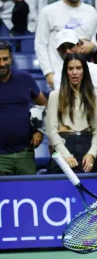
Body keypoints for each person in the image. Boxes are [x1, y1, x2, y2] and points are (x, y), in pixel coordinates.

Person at [53, 29, 97, 171]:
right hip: (67, 143)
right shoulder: (58, 76)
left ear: (79, 46)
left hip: (96, 141)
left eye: (70, 46)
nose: (67, 51)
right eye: (62, 48)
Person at [46, 53, 97, 173]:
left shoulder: (95, 96)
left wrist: (92, 154)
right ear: (66, 71)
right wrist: (65, 155)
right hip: (64, 146)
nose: (74, 72)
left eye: (78, 68)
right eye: (70, 69)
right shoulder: (55, 96)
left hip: (88, 147)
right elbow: (51, 130)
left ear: (84, 71)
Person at [0, 41, 47, 175]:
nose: (2, 64)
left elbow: (43, 104)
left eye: (5, 59)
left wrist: (39, 131)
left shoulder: (25, 79)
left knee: (30, 193)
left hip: (25, 154)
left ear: (11, 58)